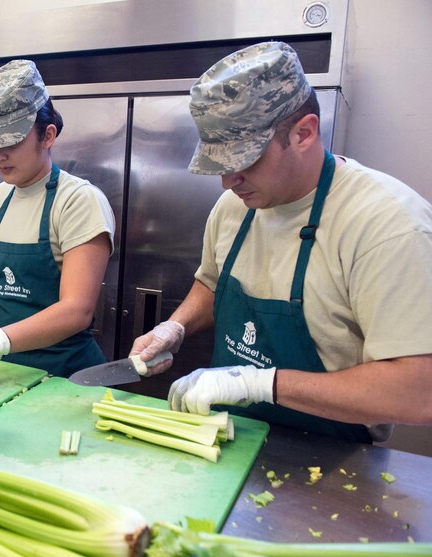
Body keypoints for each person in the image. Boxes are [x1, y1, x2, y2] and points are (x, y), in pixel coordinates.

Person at [129, 41, 432, 442]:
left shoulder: (387, 225)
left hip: (330, 460)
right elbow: (213, 283)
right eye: (219, 165)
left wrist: (258, 384)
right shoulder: (232, 207)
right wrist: (175, 327)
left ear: (304, 133)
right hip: (225, 437)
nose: (227, 181)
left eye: (244, 161)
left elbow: (418, 391)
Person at [0, 60, 115, 380]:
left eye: (12, 143)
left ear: (48, 135)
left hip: (63, 377)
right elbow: (8, 277)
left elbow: (77, 310)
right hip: (6, 372)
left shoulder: (78, 201)